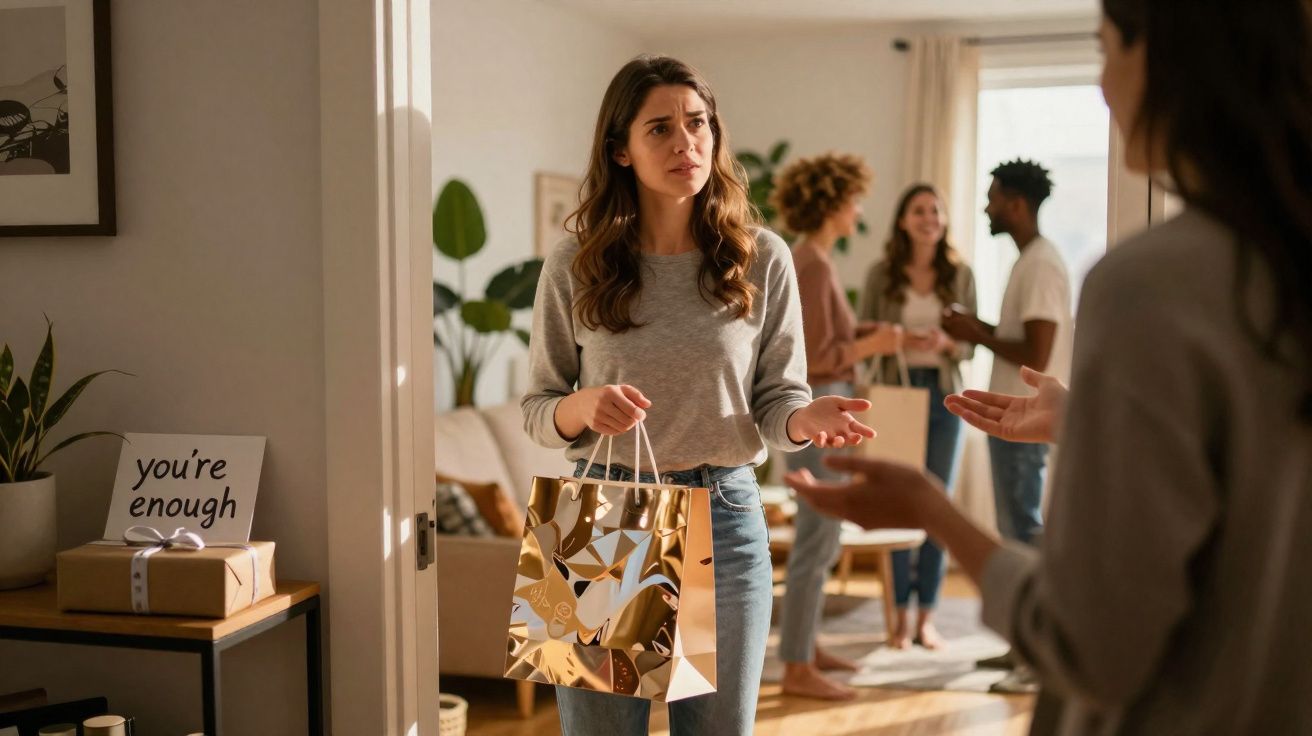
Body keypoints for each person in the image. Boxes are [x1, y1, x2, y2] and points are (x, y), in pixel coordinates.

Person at [787, 0, 1312, 732]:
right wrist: (1088, 420)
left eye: (1105, 49)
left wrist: (934, 512)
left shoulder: (1152, 284)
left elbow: (1091, 645)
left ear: (1163, 61)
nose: (1102, 85)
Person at [521, 55, 875, 736]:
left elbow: (777, 402)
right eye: (660, 128)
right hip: (602, 512)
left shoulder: (762, 257)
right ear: (621, 150)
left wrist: (805, 418)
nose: (686, 142)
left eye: (698, 123)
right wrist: (581, 408)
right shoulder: (576, 262)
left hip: (727, 514)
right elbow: (539, 406)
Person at [768, 152, 904, 700]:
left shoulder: (812, 260)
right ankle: (797, 665)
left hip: (824, 414)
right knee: (817, 536)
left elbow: (824, 335)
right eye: (854, 201)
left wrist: (867, 332)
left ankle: (805, 646)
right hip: (819, 413)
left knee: (822, 539)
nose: (859, 211)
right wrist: (875, 344)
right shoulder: (814, 264)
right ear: (833, 204)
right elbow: (817, 356)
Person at [859, 183, 977, 651]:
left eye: (935, 211)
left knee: (937, 504)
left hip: (946, 396)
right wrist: (899, 338)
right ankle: (898, 617)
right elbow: (862, 332)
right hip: (896, 394)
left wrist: (947, 344)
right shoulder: (881, 274)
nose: (929, 218)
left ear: (943, 220)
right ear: (903, 221)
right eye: (919, 211)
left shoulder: (961, 274)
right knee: (895, 502)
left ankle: (926, 616)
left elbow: (971, 342)